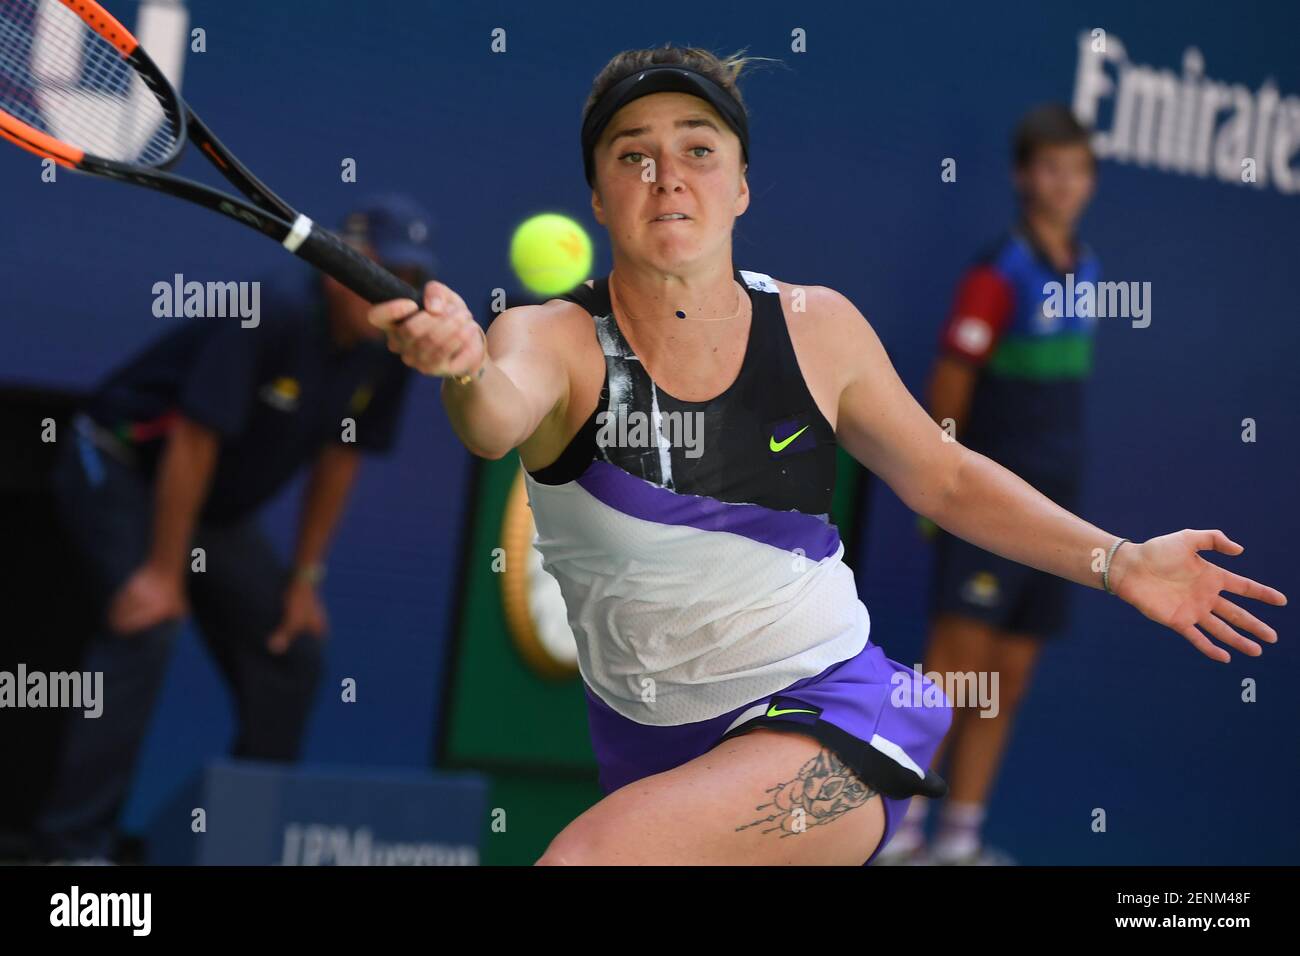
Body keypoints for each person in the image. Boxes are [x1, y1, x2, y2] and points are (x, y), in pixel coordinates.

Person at [368, 47, 1285, 865]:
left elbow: (947, 475)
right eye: (632, 155)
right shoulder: (549, 336)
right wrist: (460, 364)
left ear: (741, 187)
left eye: (698, 149)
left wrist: (1119, 561)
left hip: (837, 720)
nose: (667, 176)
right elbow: (492, 418)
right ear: (600, 199)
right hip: (651, 745)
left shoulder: (819, 327)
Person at [34, 195, 434, 862]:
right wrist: (164, 573)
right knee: (148, 624)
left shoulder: (391, 345)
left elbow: (340, 457)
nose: (399, 290)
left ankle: (244, 845)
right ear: (340, 265)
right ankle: (69, 850)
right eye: (384, 270)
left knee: (292, 650)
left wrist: (305, 580)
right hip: (116, 459)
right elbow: (194, 438)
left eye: (411, 278)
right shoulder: (271, 309)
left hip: (207, 509)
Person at [879, 104, 1104, 865]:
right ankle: (896, 829)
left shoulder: (1091, 271)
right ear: (1022, 177)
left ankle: (960, 837)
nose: (1062, 183)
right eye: (1048, 168)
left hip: (1058, 512)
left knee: (1008, 673)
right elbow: (949, 384)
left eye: (1076, 169)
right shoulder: (995, 275)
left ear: (1090, 180)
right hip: (989, 506)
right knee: (953, 671)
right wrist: (943, 487)